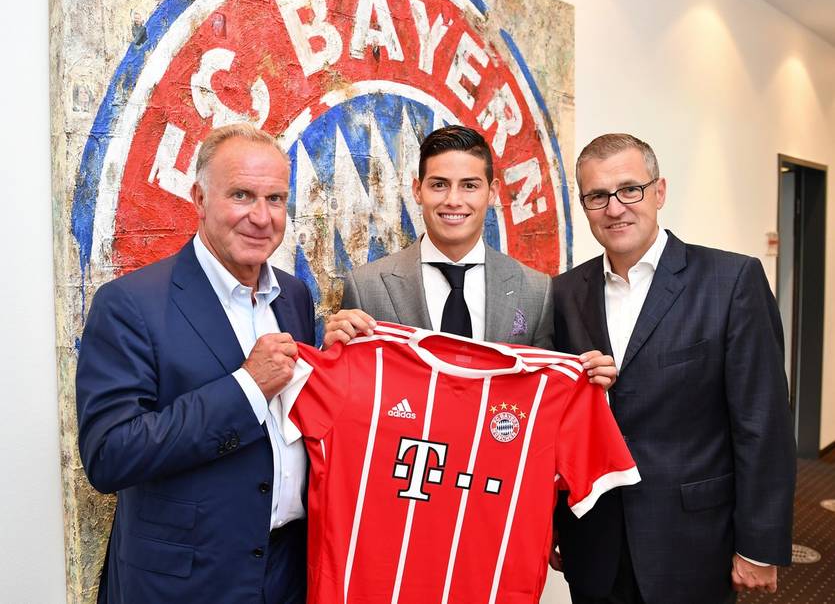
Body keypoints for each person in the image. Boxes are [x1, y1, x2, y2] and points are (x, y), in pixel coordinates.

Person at [552, 133, 796, 604]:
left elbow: (763, 424)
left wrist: (760, 544)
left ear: (659, 191)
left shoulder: (731, 281)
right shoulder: (564, 293)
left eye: (630, 189)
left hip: (694, 544)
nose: (615, 208)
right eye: (597, 196)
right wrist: (551, 523)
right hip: (594, 543)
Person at [76, 123, 314, 603]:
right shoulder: (129, 304)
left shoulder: (294, 296)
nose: (261, 217)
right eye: (242, 195)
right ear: (200, 199)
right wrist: (246, 388)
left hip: (287, 574)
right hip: (184, 584)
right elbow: (110, 455)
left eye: (275, 199)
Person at [324, 125, 616, 388]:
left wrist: (585, 380)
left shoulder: (535, 291)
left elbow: (543, 391)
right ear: (417, 190)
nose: (453, 200)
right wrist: (331, 352)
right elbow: (344, 388)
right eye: (439, 184)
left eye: (469, 185)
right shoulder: (366, 287)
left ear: (492, 192)